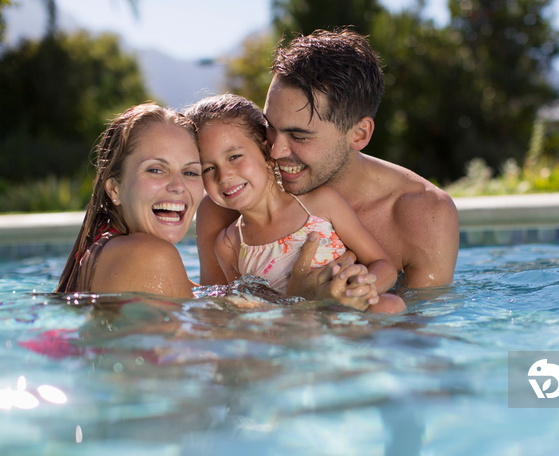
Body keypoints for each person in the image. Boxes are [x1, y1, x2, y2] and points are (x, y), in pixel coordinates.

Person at [195, 29, 459, 299]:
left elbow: (418, 334)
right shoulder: (226, 208)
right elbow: (221, 331)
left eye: (299, 136)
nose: (274, 150)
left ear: (359, 134)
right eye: (270, 128)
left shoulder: (425, 214)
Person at [185, 94, 405, 313]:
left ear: (267, 150)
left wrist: (358, 291)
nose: (223, 176)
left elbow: (382, 264)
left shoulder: (321, 204)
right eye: (208, 168)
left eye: (234, 157)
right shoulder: (229, 245)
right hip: (295, 328)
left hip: (349, 313)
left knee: (391, 304)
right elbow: (243, 312)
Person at [56, 103, 204, 298]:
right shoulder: (151, 256)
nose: (178, 186)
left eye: (190, 172)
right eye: (156, 170)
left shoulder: (102, 250)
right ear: (114, 189)